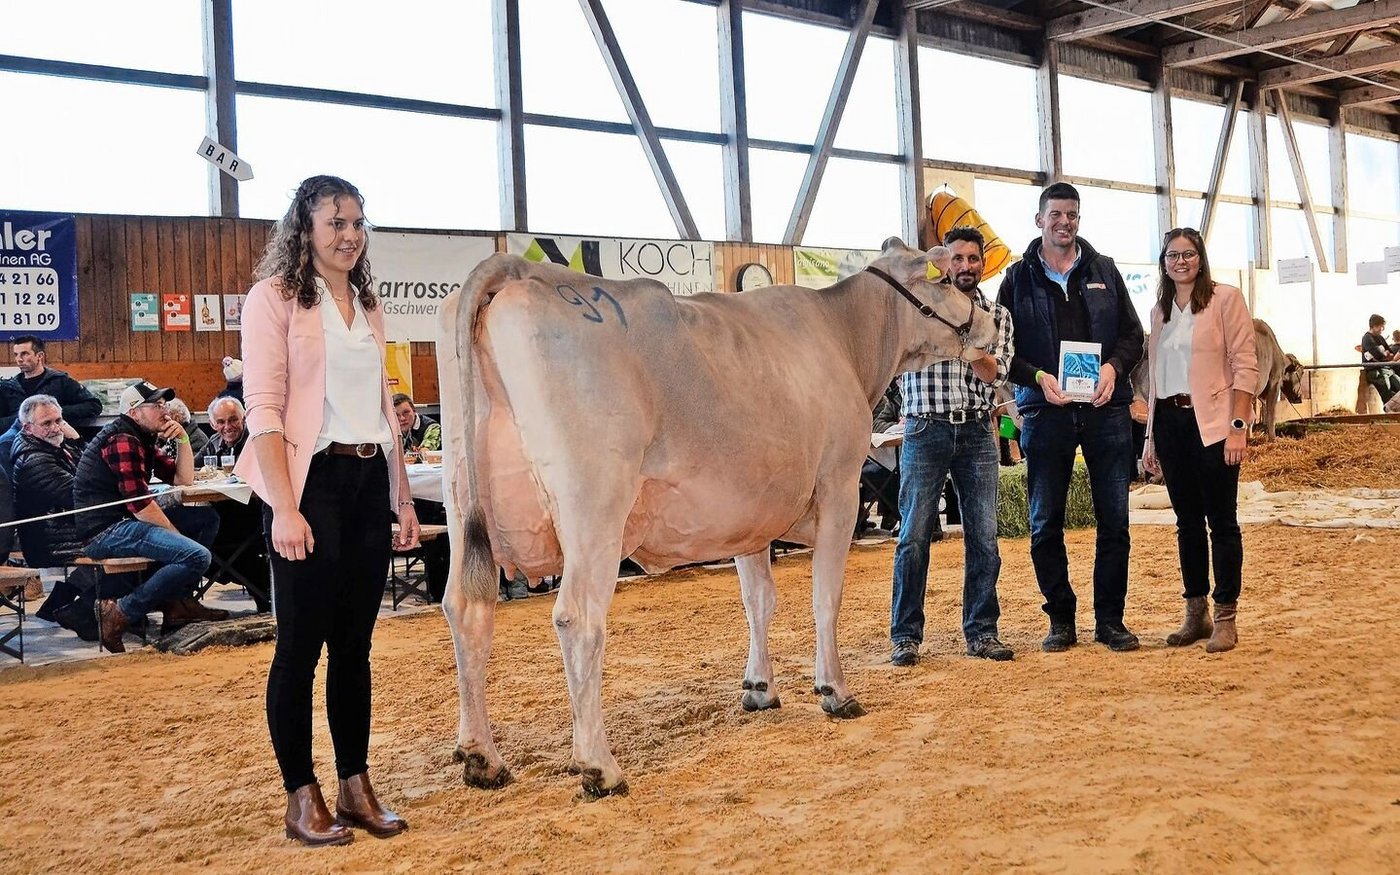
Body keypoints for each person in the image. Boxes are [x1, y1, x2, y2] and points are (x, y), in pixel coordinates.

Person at [239, 175, 419, 847]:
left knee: (355, 646)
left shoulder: (368, 302)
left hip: (369, 480)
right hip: (306, 484)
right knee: (300, 648)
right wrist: (284, 506)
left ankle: (354, 784)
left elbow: (381, 405)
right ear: (304, 230)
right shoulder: (274, 299)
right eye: (336, 222)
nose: (349, 234)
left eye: (357, 222)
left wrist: (400, 493)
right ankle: (300, 794)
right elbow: (263, 406)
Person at [997, 182, 1145, 653]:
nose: (1065, 222)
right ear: (1038, 219)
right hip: (1046, 411)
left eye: (1073, 215)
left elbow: (1133, 335)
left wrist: (1113, 368)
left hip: (1106, 411)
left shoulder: (1105, 270)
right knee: (1044, 522)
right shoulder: (1017, 279)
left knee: (1114, 520)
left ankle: (1110, 620)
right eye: (1056, 214)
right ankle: (1060, 617)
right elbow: (1003, 350)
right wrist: (1036, 377)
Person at [889, 227, 1015, 666]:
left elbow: (996, 376)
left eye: (972, 259)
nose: (964, 266)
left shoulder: (997, 314)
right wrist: (968, 343)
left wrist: (965, 345)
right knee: (913, 535)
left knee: (984, 536)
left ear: (983, 264)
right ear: (945, 263)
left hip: (979, 431)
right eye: (957, 259)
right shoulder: (919, 309)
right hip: (925, 429)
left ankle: (982, 631)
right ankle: (905, 636)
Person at [1141, 228, 1257, 654]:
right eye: (1172, 255)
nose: (1180, 262)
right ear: (1164, 262)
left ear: (1201, 258)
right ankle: (1196, 611)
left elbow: (1245, 365)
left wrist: (1239, 427)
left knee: (1222, 522)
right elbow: (1154, 379)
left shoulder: (1226, 299)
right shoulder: (1160, 311)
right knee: (1186, 523)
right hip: (1170, 425)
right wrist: (1150, 437)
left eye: (1188, 254)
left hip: (1214, 423)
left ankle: (1226, 615)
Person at [73, 381, 225, 652]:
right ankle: (121, 612)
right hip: (106, 530)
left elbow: (183, 479)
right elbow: (141, 506)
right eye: (156, 405)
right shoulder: (123, 439)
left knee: (206, 519)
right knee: (197, 555)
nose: (164, 411)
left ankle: (177, 603)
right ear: (134, 412)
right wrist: (176, 537)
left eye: (164, 404)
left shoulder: (140, 435)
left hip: (127, 522)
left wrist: (183, 439)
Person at [9, 394, 103, 629]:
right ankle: (82, 611)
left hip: (68, 528)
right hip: (52, 538)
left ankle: (59, 605)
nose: (55, 428)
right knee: (127, 545)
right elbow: (80, 495)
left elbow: (87, 479)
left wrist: (78, 440)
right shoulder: (34, 459)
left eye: (58, 420)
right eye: (47, 423)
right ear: (28, 428)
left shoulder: (55, 446)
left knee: (132, 539)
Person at [205, 395, 271, 613]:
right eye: (221, 422)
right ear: (213, 424)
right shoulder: (213, 443)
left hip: (253, 515)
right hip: (224, 514)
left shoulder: (255, 441)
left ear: (244, 419)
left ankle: (265, 597)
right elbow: (193, 472)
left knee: (209, 541)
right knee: (199, 536)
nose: (227, 427)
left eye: (233, 420)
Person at [0, 335, 104, 431]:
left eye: (24, 354)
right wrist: (22, 419)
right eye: (16, 355)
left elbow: (94, 405)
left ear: (39, 356)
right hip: (15, 444)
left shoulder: (60, 381)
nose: (19, 359)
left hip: (55, 441)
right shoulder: (8, 388)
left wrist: (53, 413)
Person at [1360, 314, 1400, 404]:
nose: (1382, 329)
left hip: (1386, 368)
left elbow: (1391, 353)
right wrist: (1384, 354)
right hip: (1374, 370)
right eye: (1380, 327)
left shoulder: (1380, 337)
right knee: (1387, 390)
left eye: (1383, 327)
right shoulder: (1367, 338)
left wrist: (1384, 354)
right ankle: (1388, 414)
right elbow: (1379, 355)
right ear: (1374, 326)